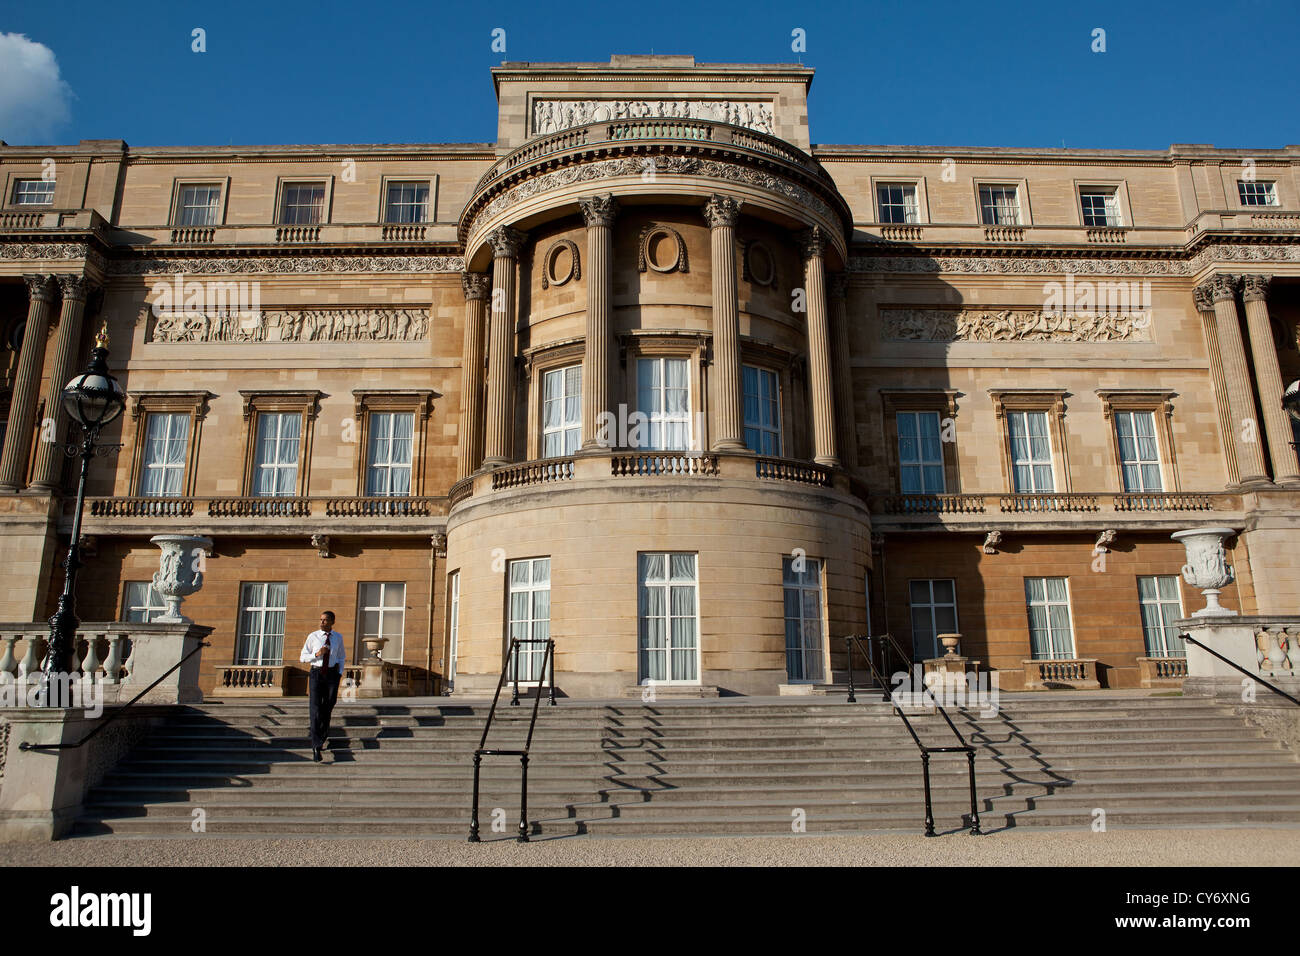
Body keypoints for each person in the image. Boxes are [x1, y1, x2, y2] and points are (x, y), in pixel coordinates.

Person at [299, 611, 345, 762]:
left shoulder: (338, 637)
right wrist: (317, 654)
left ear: (332, 621)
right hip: (317, 674)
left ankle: (323, 734)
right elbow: (302, 657)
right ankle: (316, 746)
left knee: (329, 704)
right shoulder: (313, 636)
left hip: (332, 674)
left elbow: (341, 656)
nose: (322, 623)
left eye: (325, 620)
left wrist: (339, 673)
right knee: (316, 708)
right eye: (321, 620)